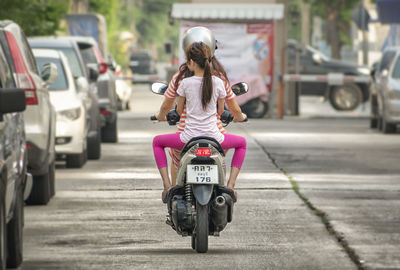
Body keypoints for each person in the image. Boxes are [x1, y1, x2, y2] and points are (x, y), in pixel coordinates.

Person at [153, 42, 247, 203]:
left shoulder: (183, 83)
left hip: (187, 139)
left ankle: (168, 186)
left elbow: (179, 110)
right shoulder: (218, 82)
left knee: (157, 142)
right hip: (215, 138)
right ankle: (231, 186)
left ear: (191, 62)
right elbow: (220, 112)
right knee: (242, 143)